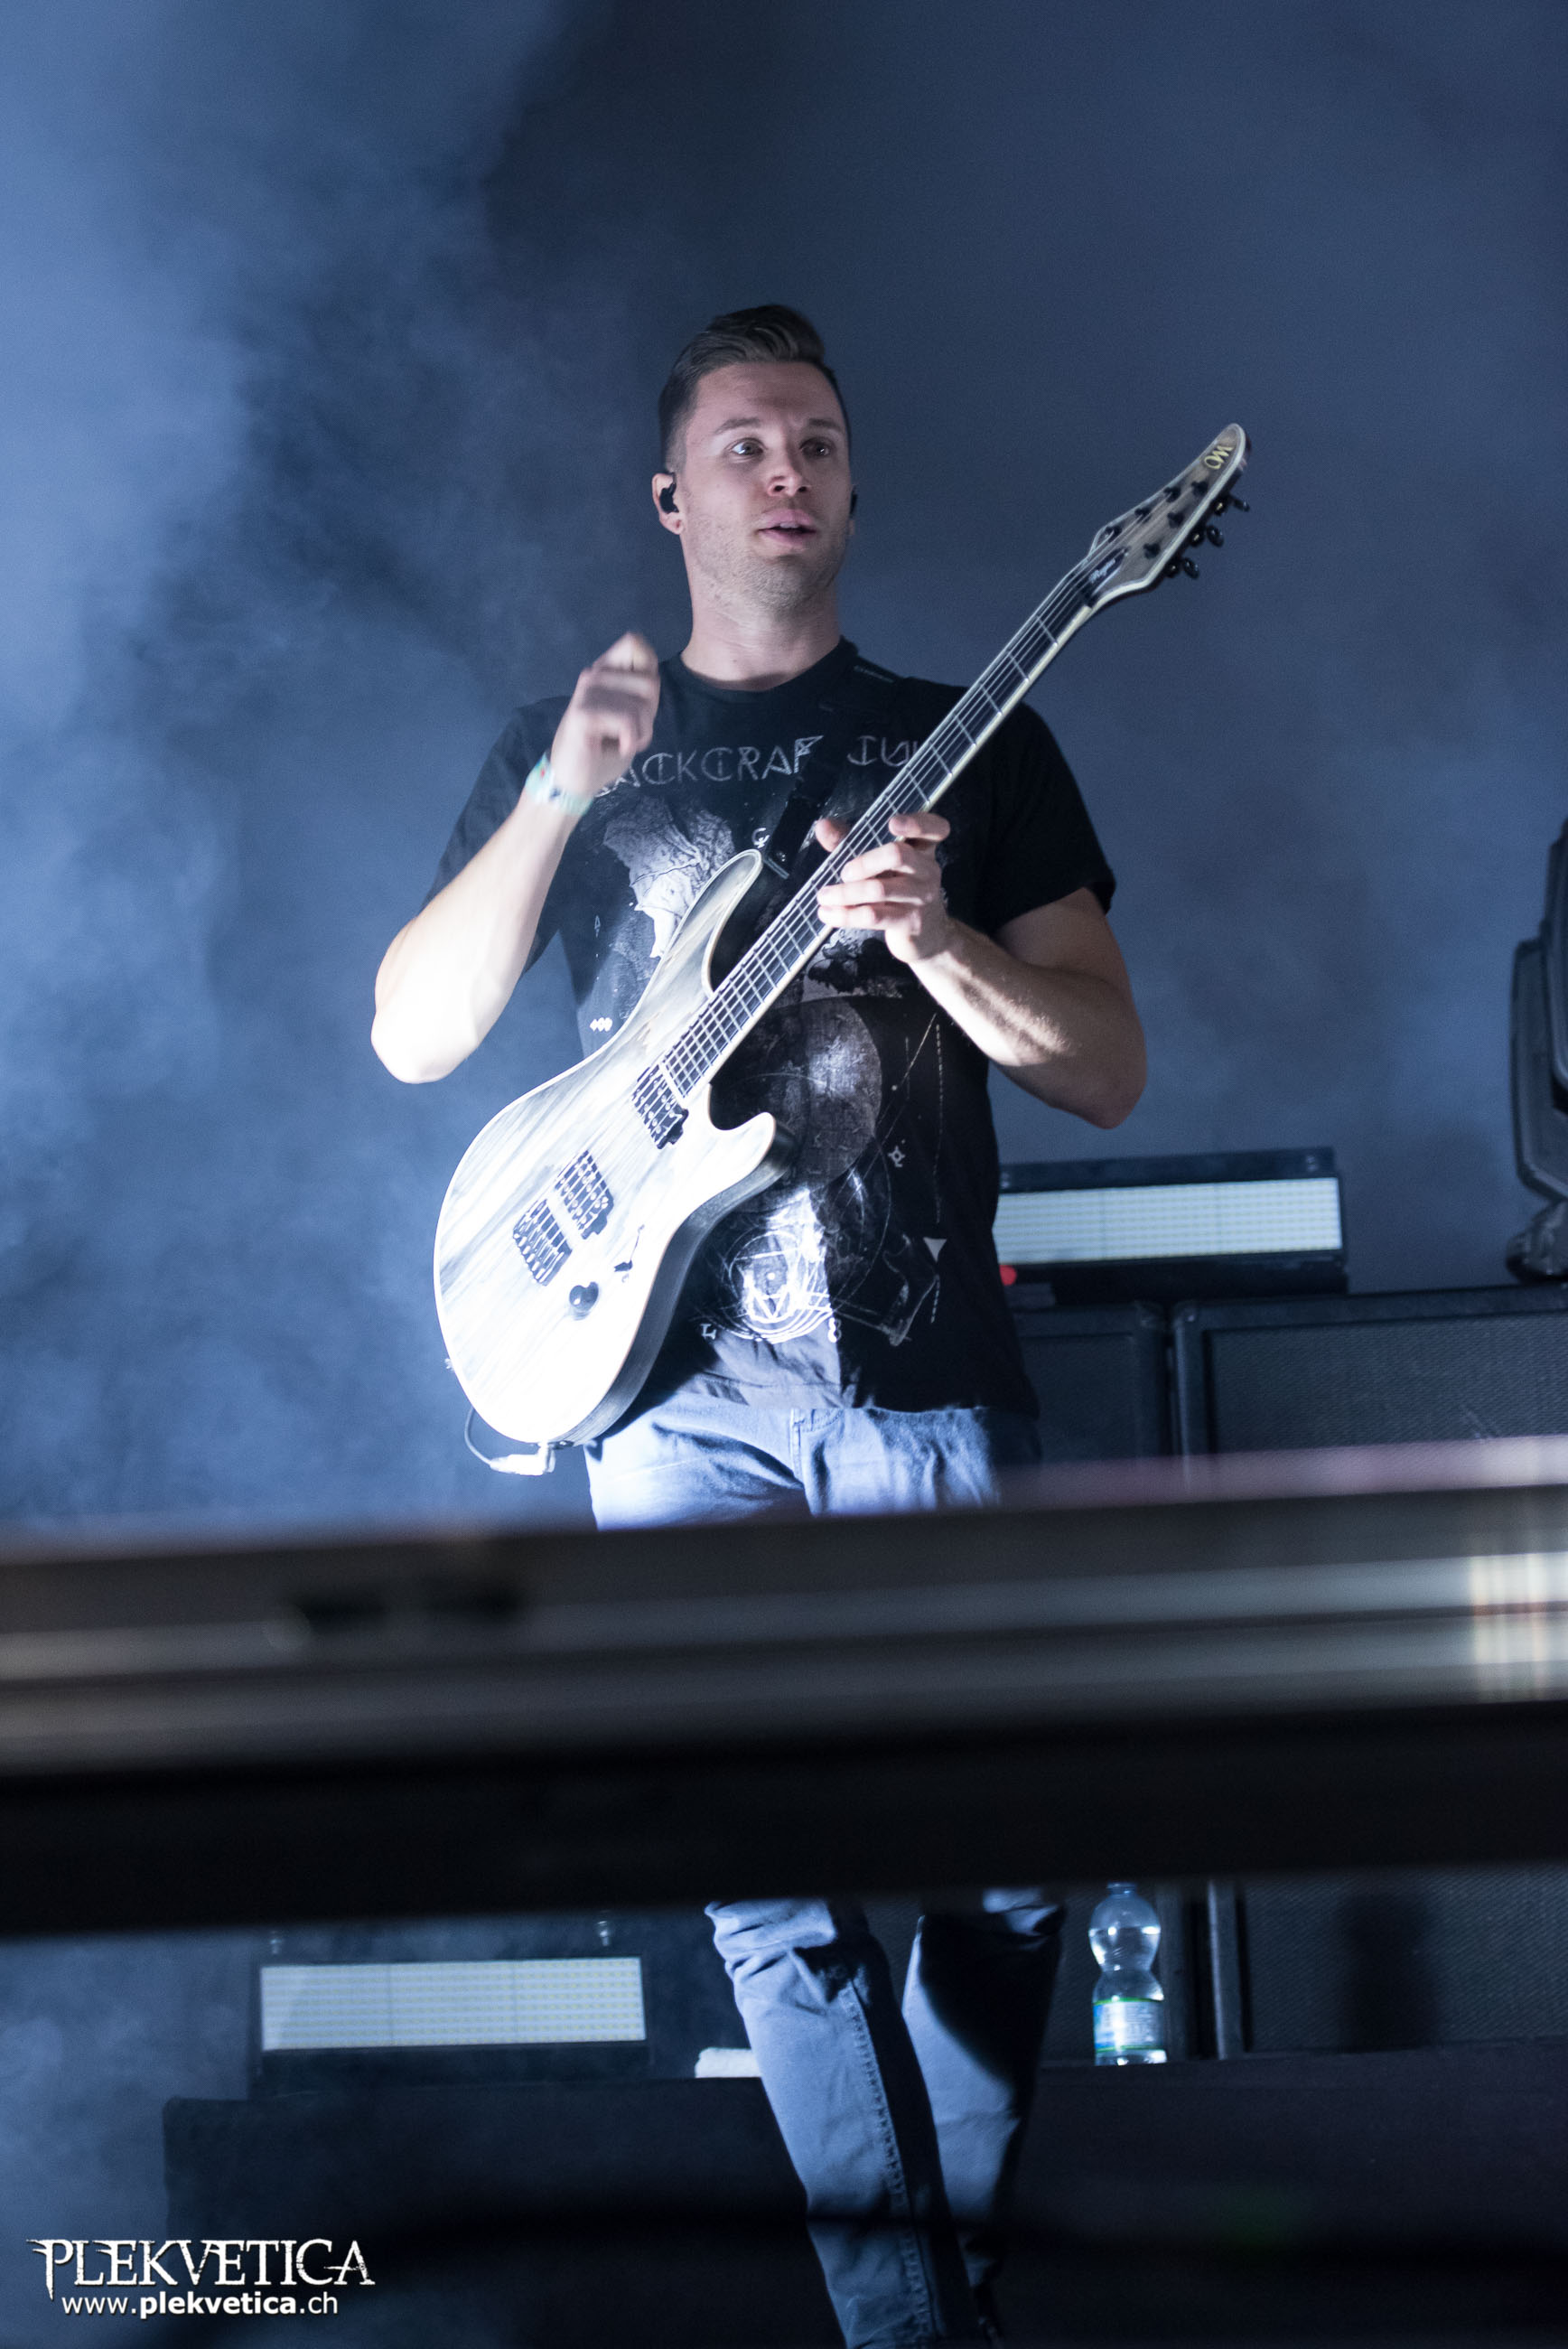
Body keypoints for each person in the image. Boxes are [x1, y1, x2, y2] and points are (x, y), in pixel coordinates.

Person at [373, 307, 1145, 2347]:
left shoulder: (976, 740)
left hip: (919, 1369)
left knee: (1014, 1863)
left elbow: (1104, 1069)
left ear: (854, 487)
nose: (784, 468)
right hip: (666, 1393)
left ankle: (932, 2296)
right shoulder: (570, 753)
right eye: (742, 443)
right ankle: (907, 2332)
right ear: (671, 495)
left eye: (815, 439)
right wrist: (557, 795)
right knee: (765, 1881)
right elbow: (416, 1034)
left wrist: (936, 938)